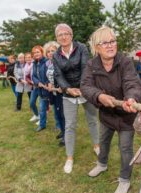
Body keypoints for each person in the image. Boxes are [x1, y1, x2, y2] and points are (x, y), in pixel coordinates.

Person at [80, 26, 141, 193]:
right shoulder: (91, 65)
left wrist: (132, 98)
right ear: (96, 47)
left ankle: (124, 179)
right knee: (103, 142)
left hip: (126, 116)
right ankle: (102, 164)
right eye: (104, 42)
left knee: (125, 149)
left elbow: (133, 83)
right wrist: (99, 96)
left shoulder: (125, 62)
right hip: (106, 115)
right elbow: (85, 86)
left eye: (112, 41)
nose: (110, 45)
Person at [53, 23, 99, 174]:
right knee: (70, 126)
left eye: (66, 33)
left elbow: (86, 67)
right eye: (60, 34)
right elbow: (58, 75)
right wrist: (67, 89)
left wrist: (82, 87)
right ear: (57, 38)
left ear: (71, 35)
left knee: (92, 119)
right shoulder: (55, 55)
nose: (64, 36)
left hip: (85, 89)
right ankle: (69, 157)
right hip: (68, 94)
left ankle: (97, 146)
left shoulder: (81, 48)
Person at [44, 41, 65, 147]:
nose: (50, 53)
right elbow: (49, 77)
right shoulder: (49, 64)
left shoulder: (61, 62)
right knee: (57, 114)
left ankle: (66, 137)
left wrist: (62, 86)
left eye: (53, 50)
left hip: (61, 92)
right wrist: (49, 84)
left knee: (63, 114)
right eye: (48, 51)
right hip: (54, 92)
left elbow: (64, 76)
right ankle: (62, 131)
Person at [32, 45, 49, 132]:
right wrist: (38, 83)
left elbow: (49, 74)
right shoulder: (35, 63)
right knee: (42, 109)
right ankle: (42, 125)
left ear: (42, 52)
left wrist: (45, 83)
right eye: (34, 53)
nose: (36, 54)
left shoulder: (47, 62)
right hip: (41, 90)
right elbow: (33, 76)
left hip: (49, 89)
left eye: (38, 52)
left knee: (57, 109)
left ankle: (59, 126)